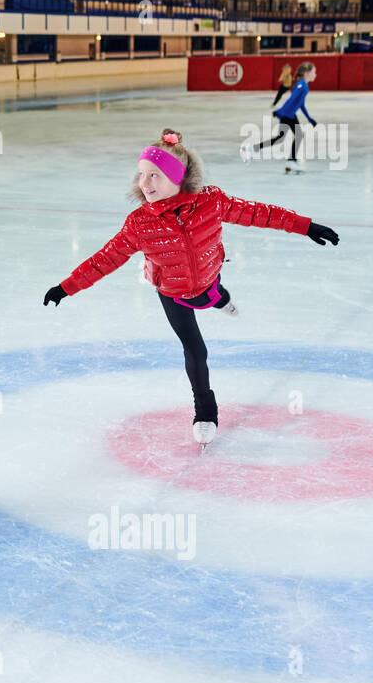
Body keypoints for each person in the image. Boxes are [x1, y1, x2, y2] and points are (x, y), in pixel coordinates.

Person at [43, 129, 339, 449]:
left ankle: (223, 301)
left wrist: (306, 226)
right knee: (197, 350)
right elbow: (106, 259)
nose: (145, 183)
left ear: (178, 178)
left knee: (216, 295)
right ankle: (205, 413)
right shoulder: (139, 223)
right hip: (172, 291)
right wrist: (66, 287)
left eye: (154, 175)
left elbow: (259, 213)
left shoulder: (211, 201)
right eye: (141, 174)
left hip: (209, 275)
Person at [246, 61, 317, 173]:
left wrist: (309, 118)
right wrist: (281, 111)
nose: (315, 74)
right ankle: (291, 162)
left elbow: (301, 104)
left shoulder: (303, 85)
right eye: (314, 72)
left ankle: (253, 148)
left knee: (280, 138)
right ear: (307, 73)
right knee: (298, 135)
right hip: (288, 115)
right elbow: (292, 98)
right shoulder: (302, 85)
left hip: (289, 114)